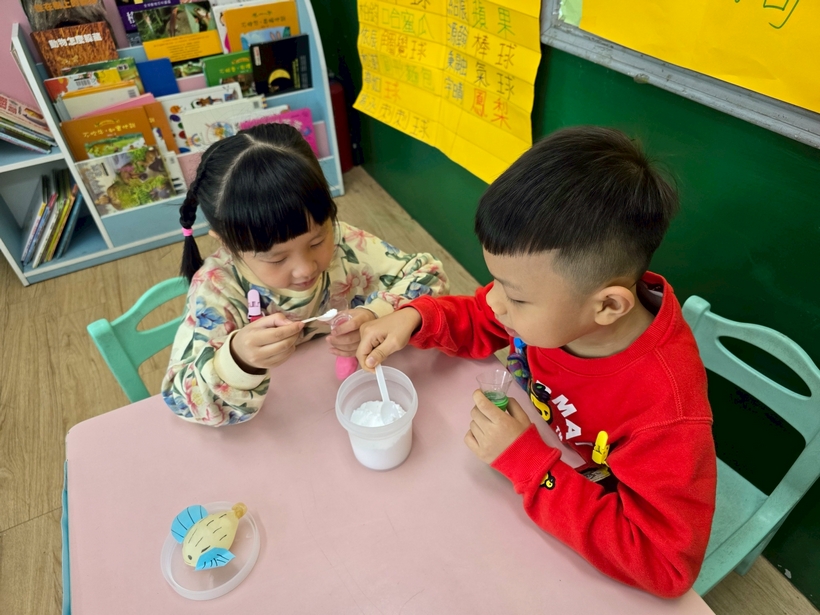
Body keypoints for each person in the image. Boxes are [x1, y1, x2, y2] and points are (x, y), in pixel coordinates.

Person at [356, 126, 716, 598]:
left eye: (517, 297)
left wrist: (526, 461)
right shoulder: (560, 307)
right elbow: (481, 316)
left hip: (577, 510)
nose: (496, 302)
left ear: (608, 306)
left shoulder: (666, 413)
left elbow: (665, 565)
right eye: (496, 282)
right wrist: (416, 318)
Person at [161, 123, 448, 426]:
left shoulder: (344, 243)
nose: (306, 268)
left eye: (316, 242)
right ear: (227, 243)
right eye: (277, 258)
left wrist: (376, 313)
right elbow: (181, 398)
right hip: (285, 421)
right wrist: (238, 359)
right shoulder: (218, 288)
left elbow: (430, 275)